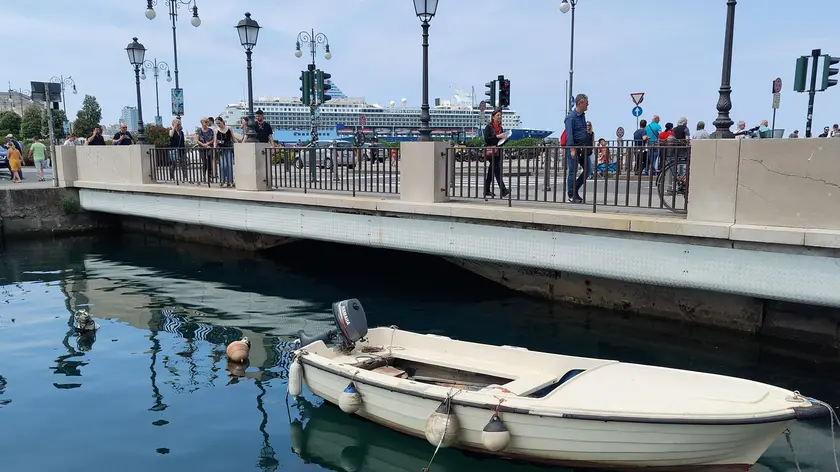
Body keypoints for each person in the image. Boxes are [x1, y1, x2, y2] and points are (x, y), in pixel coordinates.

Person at [564, 93, 591, 203]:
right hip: (575, 148)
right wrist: (572, 149)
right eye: (586, 103)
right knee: (572, 171)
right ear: (580, 103)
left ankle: (574, 189)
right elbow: (569, 134)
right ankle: (571, 194)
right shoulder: (571, 117)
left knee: (588, 170)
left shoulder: (582, 116)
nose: (588, 105)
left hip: (583, 148)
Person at [482, 109, 510, 198]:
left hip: (498, 151)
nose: (499, 117)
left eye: (500, 115)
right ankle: (503, 190)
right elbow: (487, 138)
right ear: (493, 117)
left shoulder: (500, 127)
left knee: (491, 171)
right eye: (498, 115)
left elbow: (500, 140)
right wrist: (498, 136)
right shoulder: (489, 127)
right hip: (491, 151)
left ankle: (486, 190)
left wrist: (505, 138)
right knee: (496, 170)